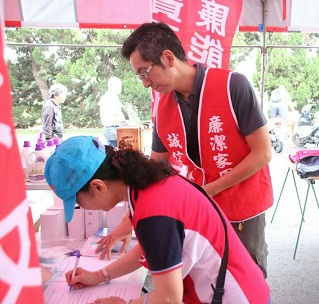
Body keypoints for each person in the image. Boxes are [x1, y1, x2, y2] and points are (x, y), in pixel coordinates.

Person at [96, 21, 273, 278]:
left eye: (145, 72)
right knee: (205, 279)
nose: (145, 83)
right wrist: (129, 220)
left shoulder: (233, 85)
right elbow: (154, 169)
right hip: (197, 209)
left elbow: (263, 153)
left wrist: (208, 191)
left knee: (245, 277)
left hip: (242, 207)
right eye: (139, 76)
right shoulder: (163, 107)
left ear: (167, 58)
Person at [44, 136, 270, 304]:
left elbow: (169, 299)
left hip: (236, 297)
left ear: (98, 187)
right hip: (244, 286)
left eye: (78, 202)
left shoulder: (153, 213)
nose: (81, 208)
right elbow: (149, 250)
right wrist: (100, 276)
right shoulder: (146, 186)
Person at [99, 77, 126, 147]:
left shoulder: (107, 97)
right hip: (112, 130)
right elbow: (117, 115)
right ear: (114, 86)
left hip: (109, 130)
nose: (121, 88)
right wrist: (125, 124)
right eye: (120, 86)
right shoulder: (111, 99)